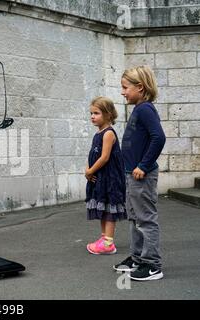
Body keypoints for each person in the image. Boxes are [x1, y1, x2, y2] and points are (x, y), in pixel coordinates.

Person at [113, 65, 166, 281]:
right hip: (132, 175)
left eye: (125, 87)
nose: (123, 92)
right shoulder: (139, 108)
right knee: (135, 218)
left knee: (145, 219)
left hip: (141, 175)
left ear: (140, 88)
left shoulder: (145, 109)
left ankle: (153, 265)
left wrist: (143, 165)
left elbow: (158, 138)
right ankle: (137, 258)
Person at [85, 97, 127, 255]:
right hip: (100, 178)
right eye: (91, 113)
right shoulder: (98, 133)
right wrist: (87, 168)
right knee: (102, 207)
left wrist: (90, 171)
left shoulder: (108, 133)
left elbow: (104, 157)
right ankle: (104, 238)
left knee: (109, 207)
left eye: (96, 113)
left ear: (108, 115)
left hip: (110, 178)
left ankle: (109, 243)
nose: (92, 116)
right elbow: (93, 154)